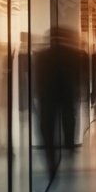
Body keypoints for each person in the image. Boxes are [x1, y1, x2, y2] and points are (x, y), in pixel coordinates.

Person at [35, 27, 87, 174]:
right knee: (69, 119)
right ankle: (69, 146)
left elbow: (37, 78)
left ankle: (50, 158)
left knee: (47, 126)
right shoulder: (74, 54)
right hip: (67, 94)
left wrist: (36, 95)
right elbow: (78, 77)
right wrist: (80, 93)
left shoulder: (40, 55)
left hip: (46, 95)